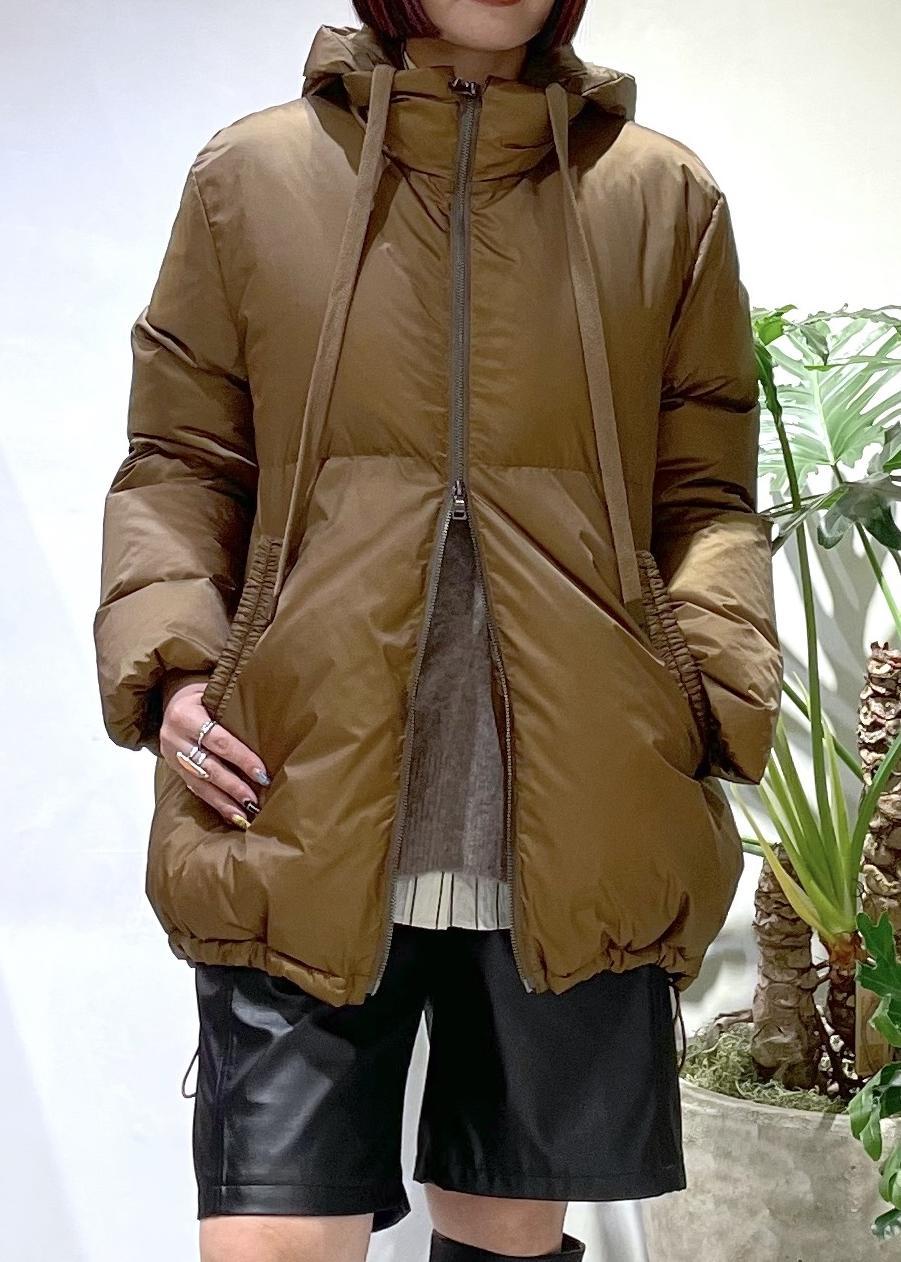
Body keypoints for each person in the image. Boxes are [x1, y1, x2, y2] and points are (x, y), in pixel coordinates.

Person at [92, 1, 783, 1259]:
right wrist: (179, 670)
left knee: (507, 1238)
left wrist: (698, 696)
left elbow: (705, 500)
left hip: (575, 817)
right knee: (267, 1238)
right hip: (292, 800)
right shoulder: (253, 175)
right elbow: (181, 460)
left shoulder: (657, 196)